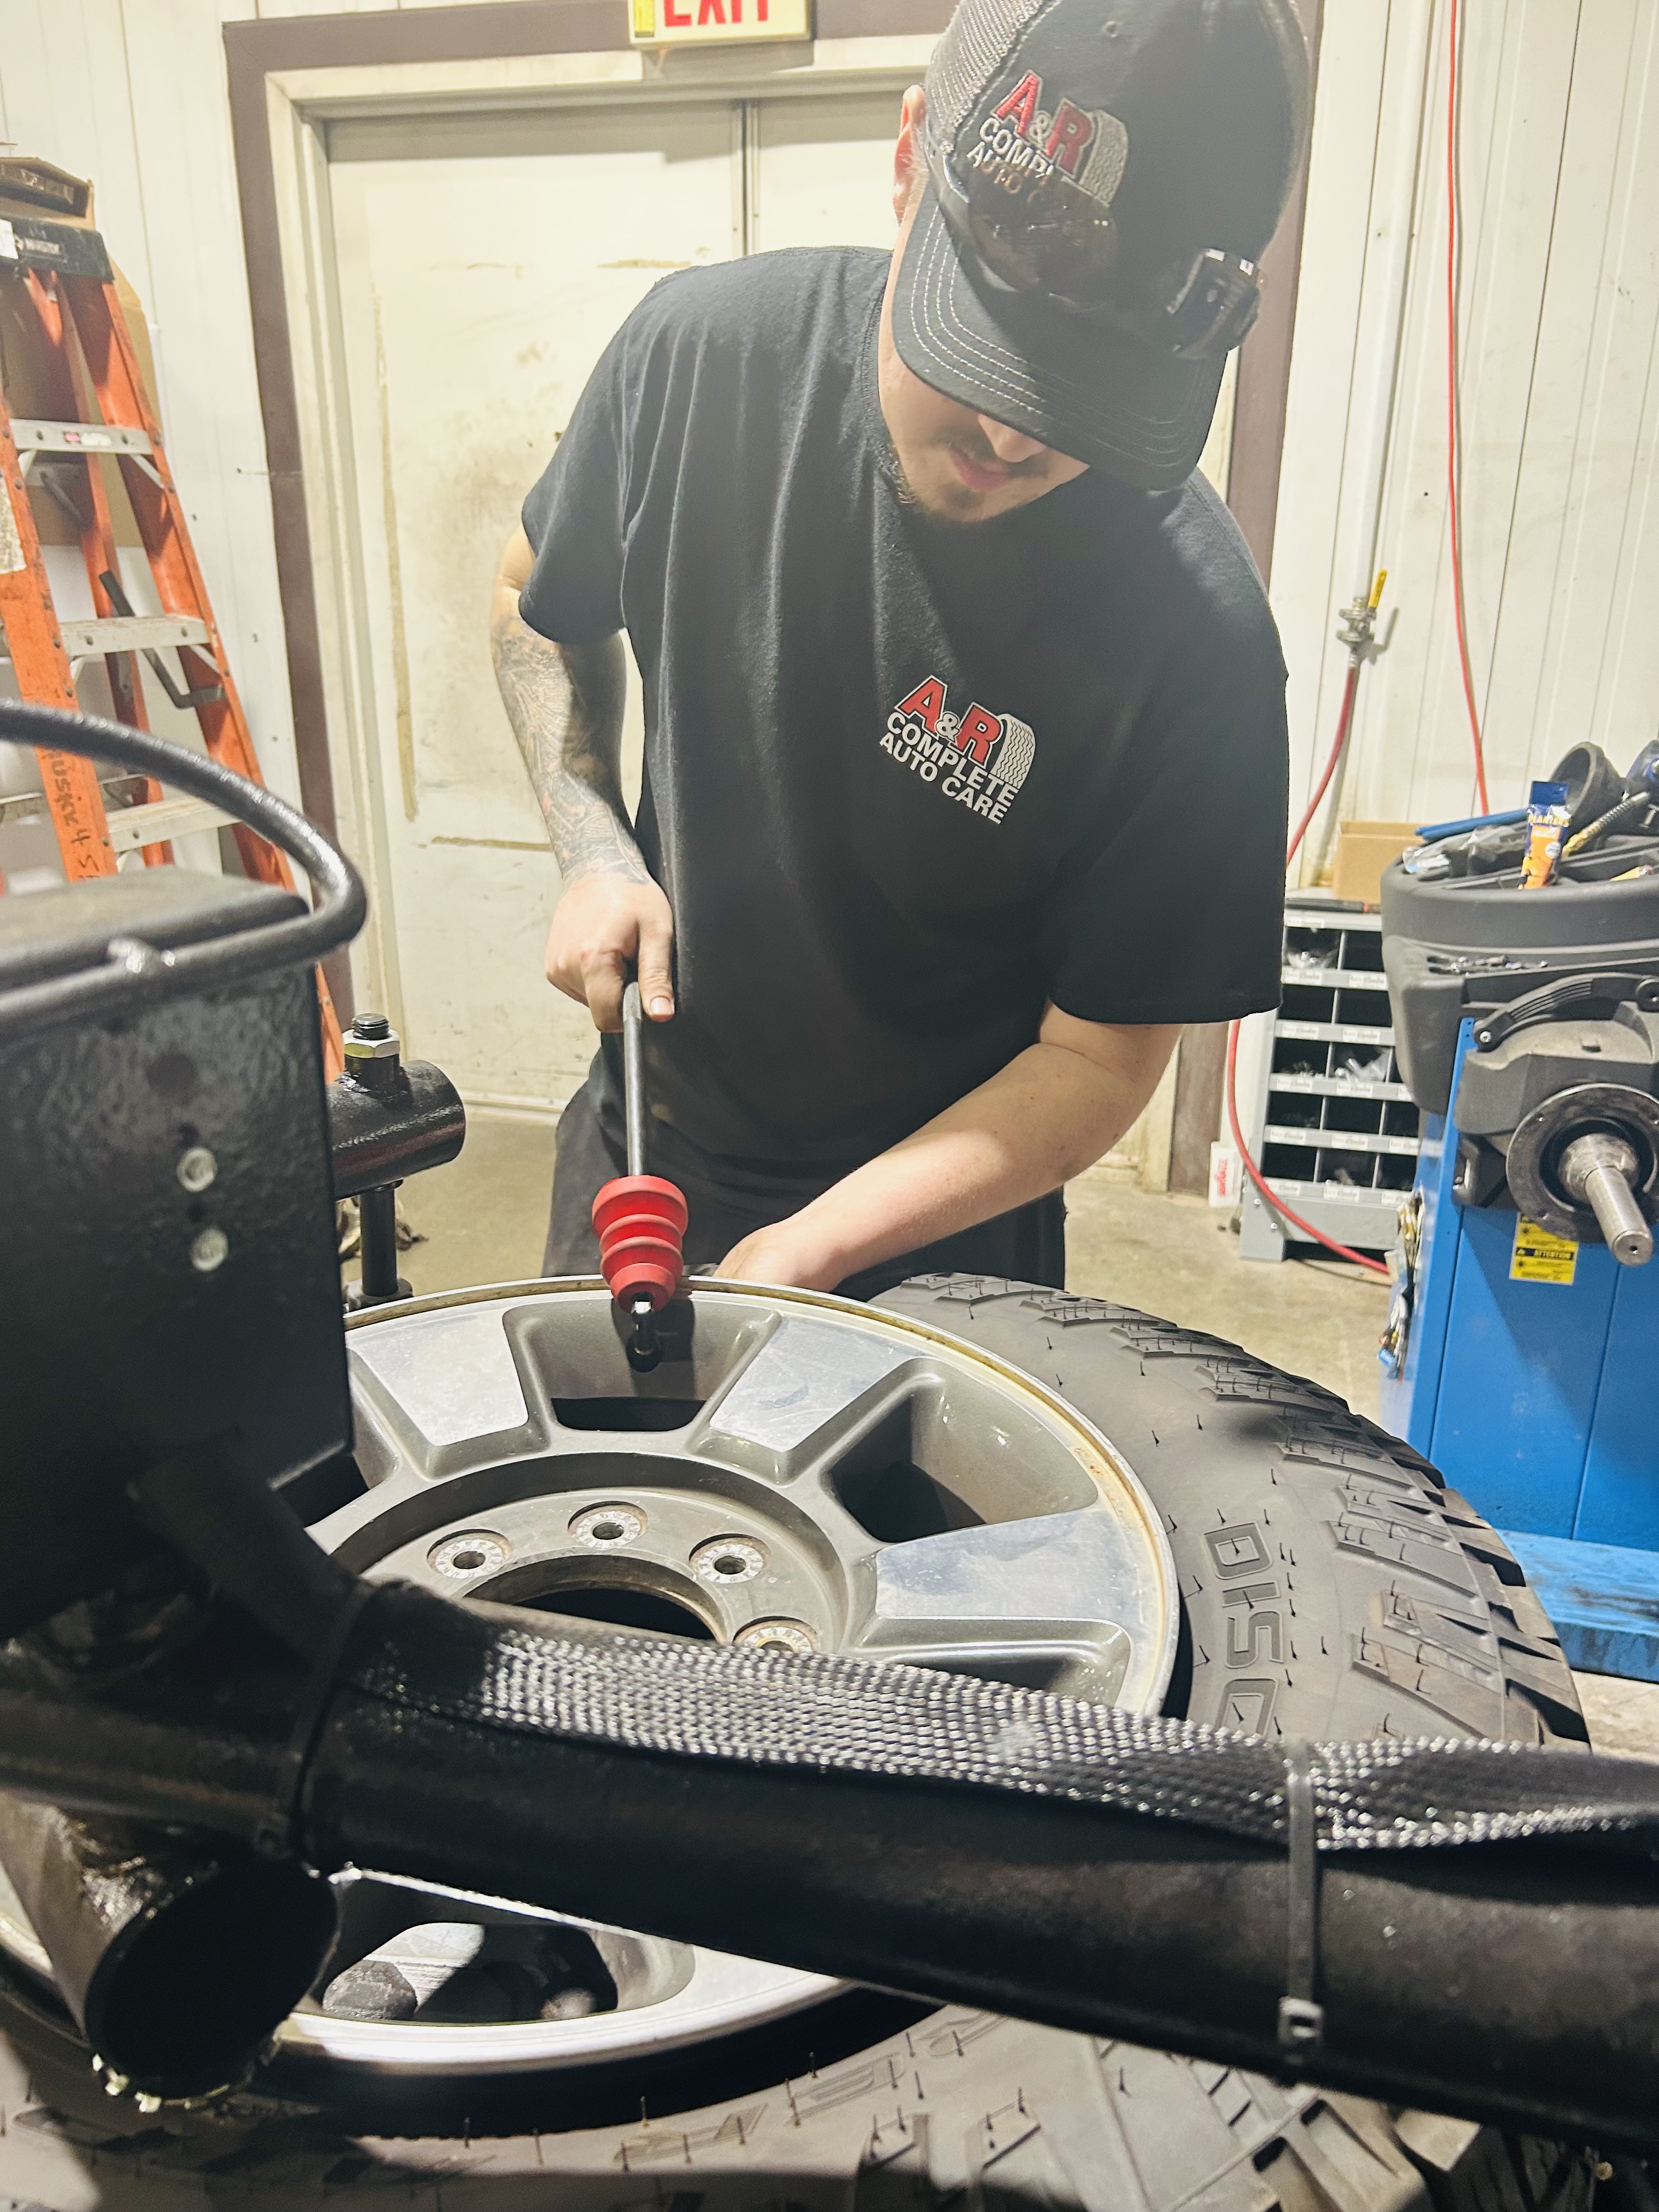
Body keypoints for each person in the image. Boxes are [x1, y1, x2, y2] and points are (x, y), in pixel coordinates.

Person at [491, 0, 1307, 1299]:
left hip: (948, 1231)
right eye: (988, 349)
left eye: (1091, 395)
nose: (1017, 438)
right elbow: (532, 602)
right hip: (646, 1154)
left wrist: (818, 1245)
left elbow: (1098, 1061)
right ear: (909, 158)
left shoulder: (1198, 643)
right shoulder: (697, 361)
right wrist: (592, 844)